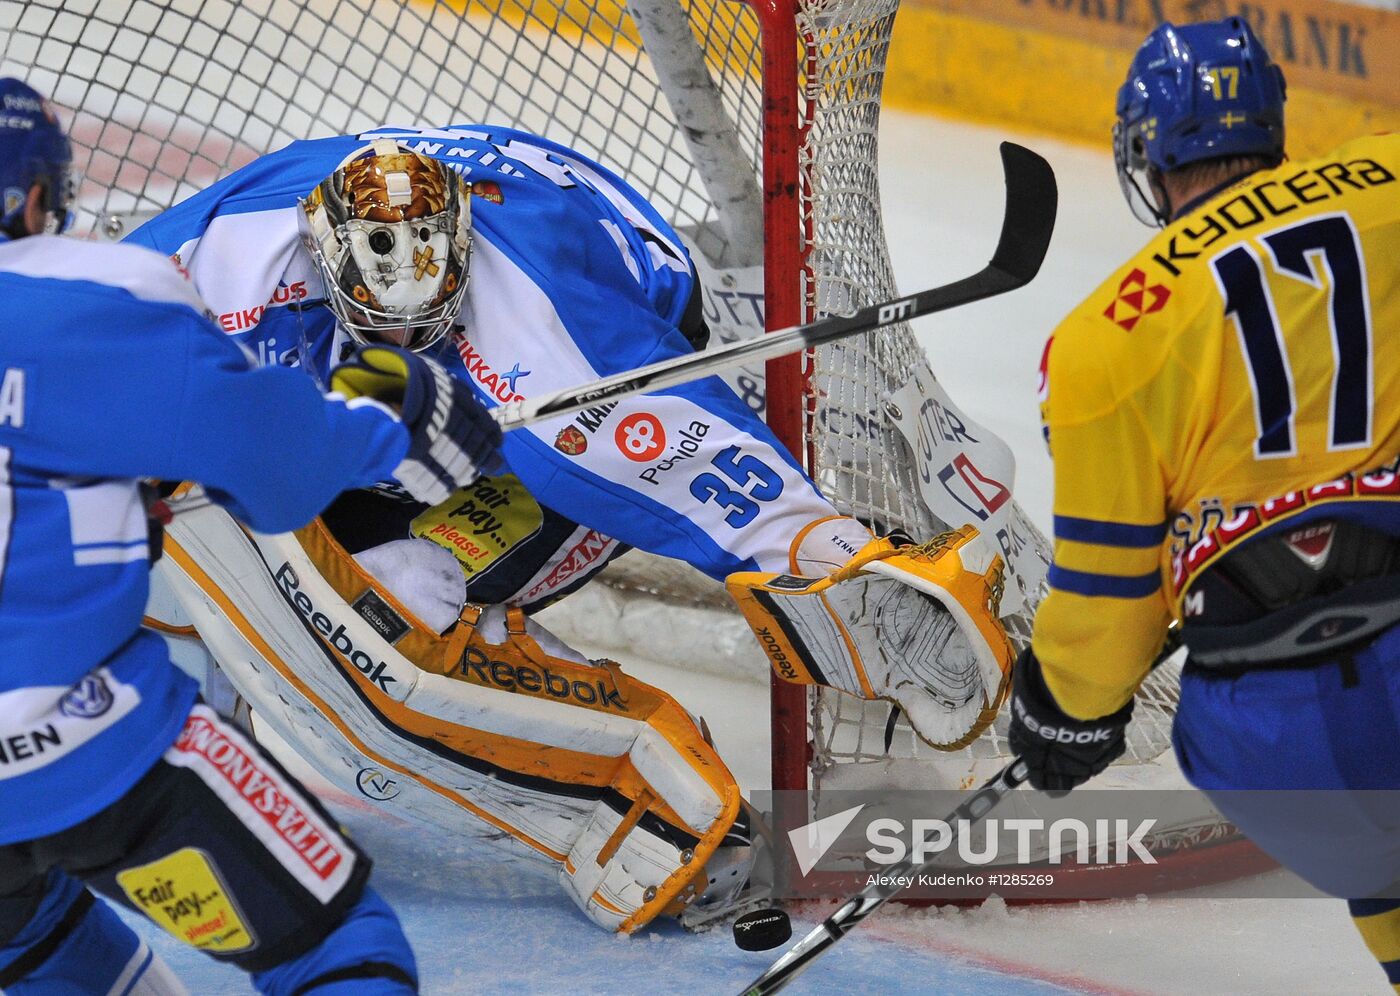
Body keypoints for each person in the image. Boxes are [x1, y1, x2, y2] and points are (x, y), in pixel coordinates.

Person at [126, 126, 1018, 932]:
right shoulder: (205, 270)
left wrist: (830, 557)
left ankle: (655, 807)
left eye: (425, 318)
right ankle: (186, 763)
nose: (407, 324)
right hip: (367, 387)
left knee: (403, 607)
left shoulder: (535, 316)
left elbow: (673, 445)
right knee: (170, 538)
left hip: (582, 350)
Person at [0, 77, 503, 993]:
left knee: (38, 944)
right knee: (339, 949)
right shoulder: (91, 291)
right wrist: (394, 408)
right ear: (37, 196)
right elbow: (279, 476)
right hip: (89, 755)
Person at [1005, 16, 1400, 989]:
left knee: (1379, 870)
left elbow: (1104, 608)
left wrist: (1063, 714)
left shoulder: (1100, 342)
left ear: (1145, 151)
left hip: (1274, 755)